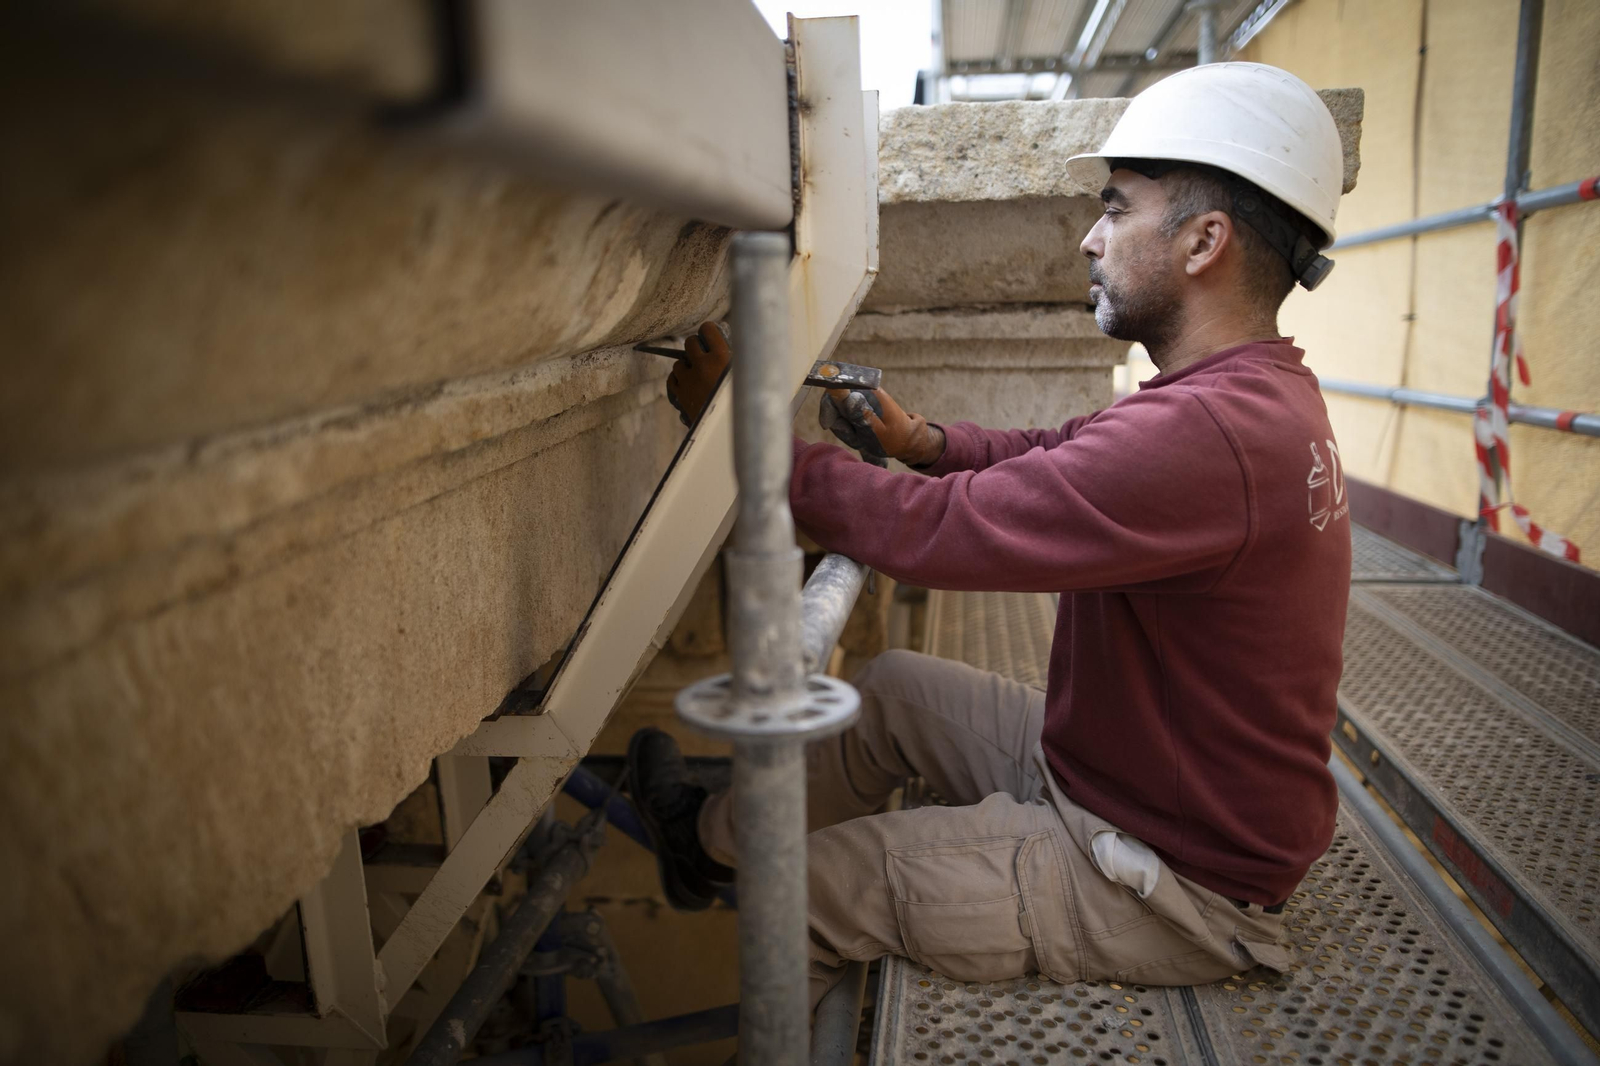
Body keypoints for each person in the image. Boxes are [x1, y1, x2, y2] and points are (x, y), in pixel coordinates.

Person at [632, 62, 1353, 1009]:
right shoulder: (1252, 393)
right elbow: (1072, 451)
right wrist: (928, 443)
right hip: (1118, 774)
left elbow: (941, 532)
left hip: (1174, 872)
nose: (1090, 238)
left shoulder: (1210, 433)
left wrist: (746, 434)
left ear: (1204, 241)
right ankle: (708, 847)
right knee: (890, 691)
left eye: (1116, 209)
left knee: (799, 899)